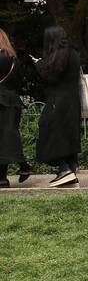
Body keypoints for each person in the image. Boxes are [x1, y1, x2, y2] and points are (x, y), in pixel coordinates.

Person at [29, 26, 81, 188]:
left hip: (58, 101)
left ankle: (64, 170)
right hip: (73, 100)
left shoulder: (59, 55)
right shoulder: (73, 53)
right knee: (69, 135)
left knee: (48, 132)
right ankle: (70, 173)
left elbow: (51, 77)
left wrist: (38, 65)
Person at [0, 29, 32, 188]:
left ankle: (17, 168)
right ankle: (6, 176)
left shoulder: (2, 58)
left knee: (5, 138)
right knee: (7, 137)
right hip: (11, 101)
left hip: (3, 101)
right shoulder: (13, 59)